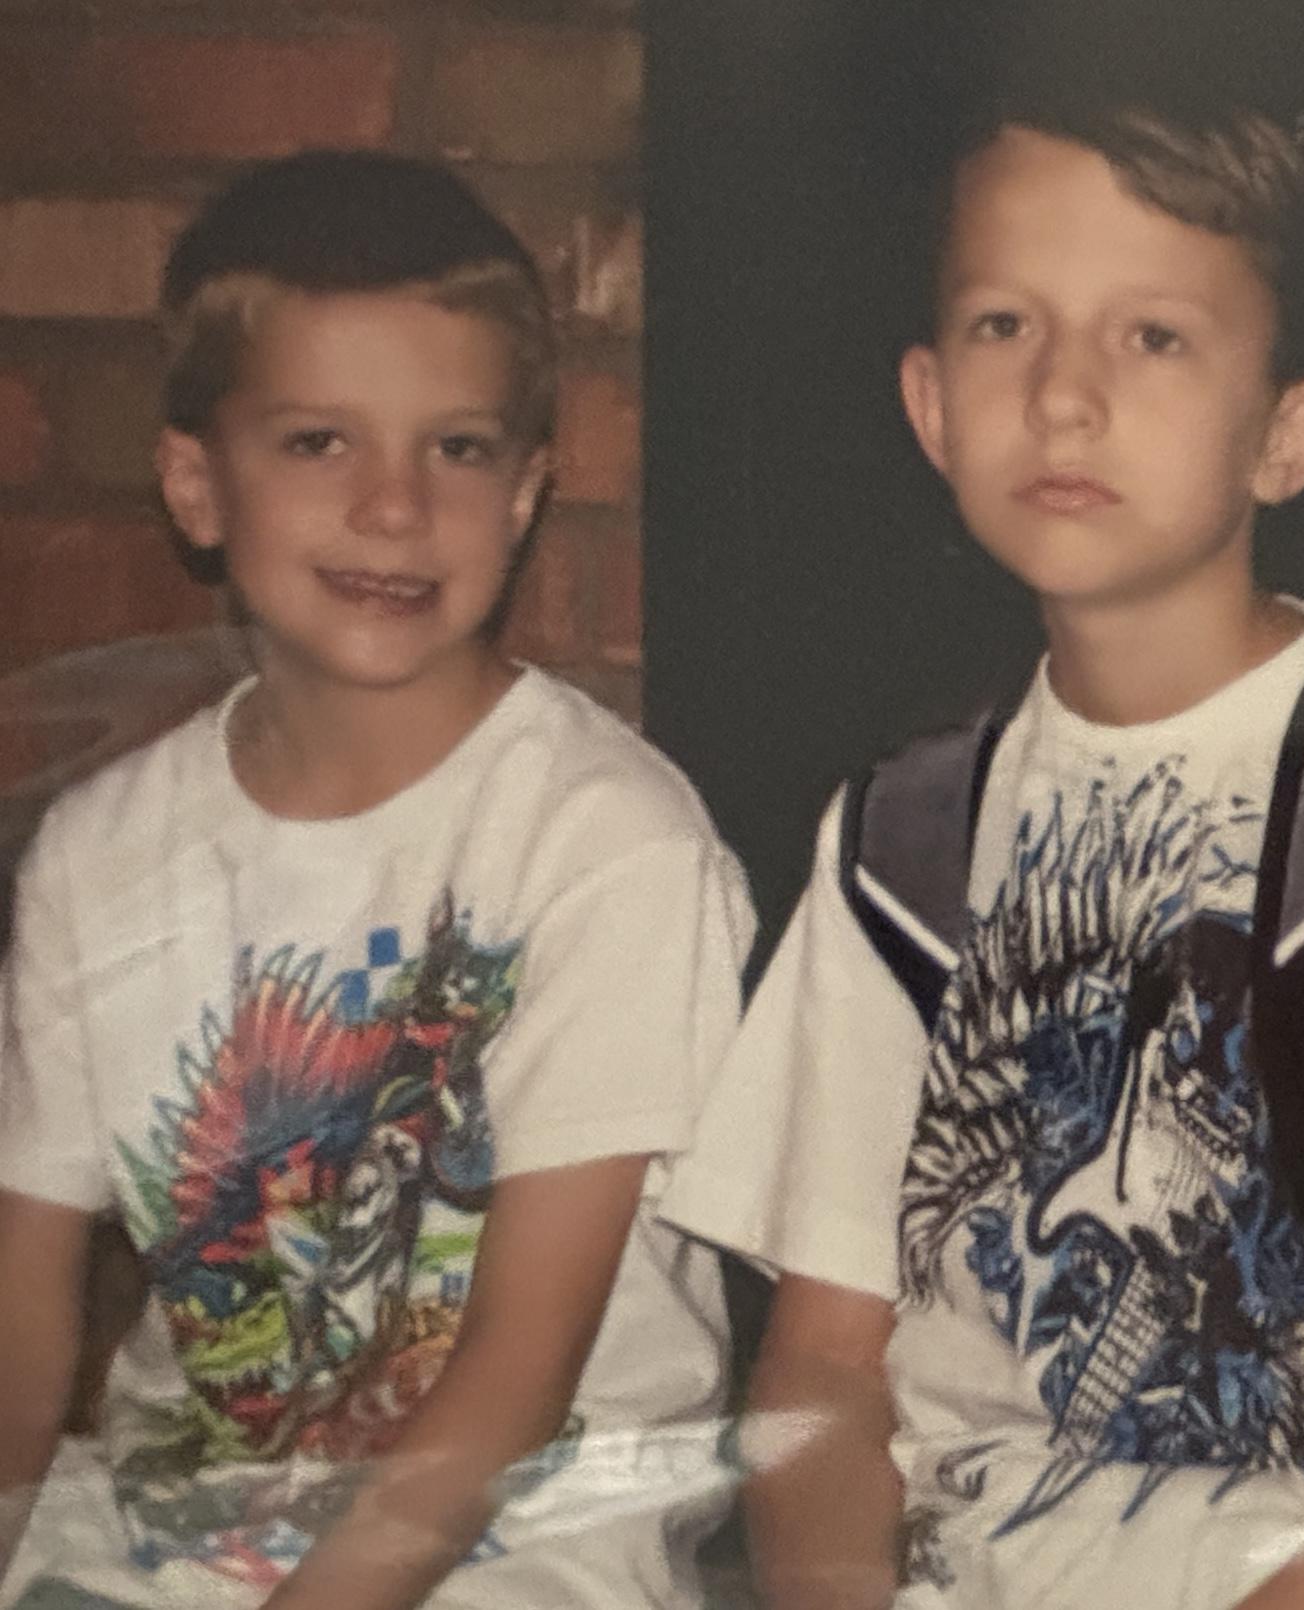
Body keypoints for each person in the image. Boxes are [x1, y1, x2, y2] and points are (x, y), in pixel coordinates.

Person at [662, 78, 1304, 1610]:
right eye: (1006, 324)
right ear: (930, 405)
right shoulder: (903, 834)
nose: (1063, 396)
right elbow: (824, 1359)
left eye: (1152, 336)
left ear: (1289, 435)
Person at [0, 151, 753, 1610]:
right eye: (318, 442)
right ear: (195, 485)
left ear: (526, 491)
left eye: (456, 448)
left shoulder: (605, 843)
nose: (395, 506)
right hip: (174, 1541)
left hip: (518, 1547)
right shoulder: (99, 854)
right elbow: (25, 1319)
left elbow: (514, 1385)